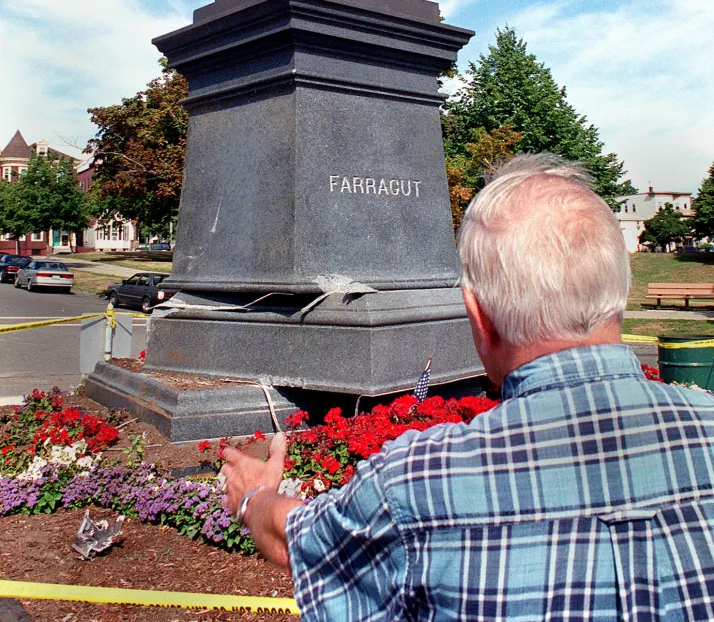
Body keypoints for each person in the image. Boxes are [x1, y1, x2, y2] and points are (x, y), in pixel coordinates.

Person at [220, 154, 714, 620]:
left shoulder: (415, 483)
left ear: (479, 318)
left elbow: (300, 542)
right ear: (619, 292)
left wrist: (252, 499)